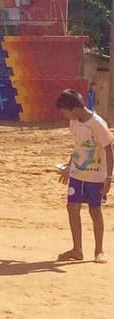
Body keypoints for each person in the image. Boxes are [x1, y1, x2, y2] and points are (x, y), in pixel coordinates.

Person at [56, 88, 113, 263]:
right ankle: (77, 249)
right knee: (72, 208)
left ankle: (99, 250)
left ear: (75, 109)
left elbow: (109, 150)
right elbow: (79, 146)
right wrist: (68, 165)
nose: (64, 115)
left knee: (95, 210)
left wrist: (108, 178)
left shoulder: (97, 124)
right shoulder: (75, 122)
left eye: (65, 111)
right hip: (77, 173)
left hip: (96, 176)